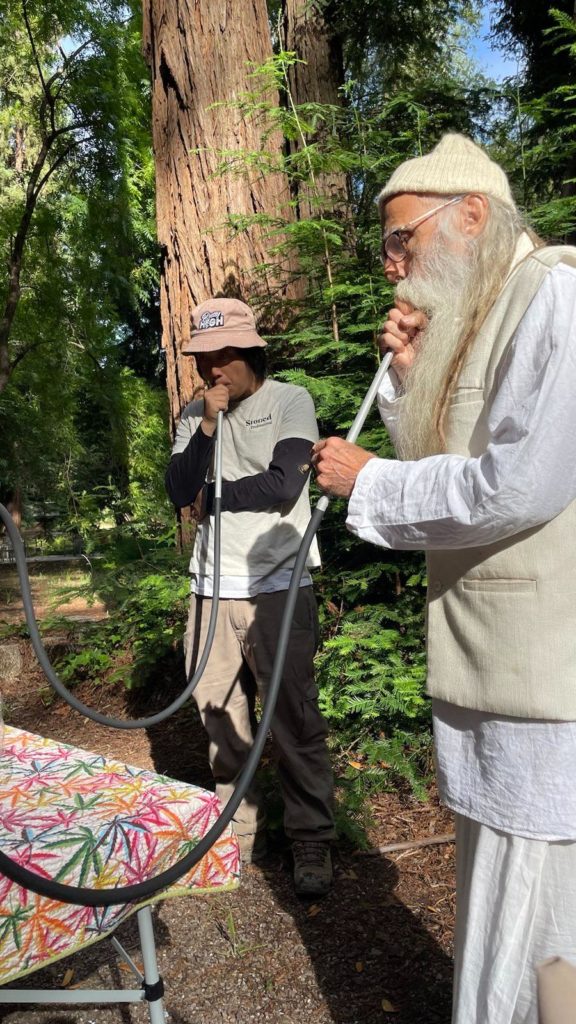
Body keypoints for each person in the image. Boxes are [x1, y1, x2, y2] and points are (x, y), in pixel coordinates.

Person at [312, 133, 576, 1022]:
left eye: (402, 240)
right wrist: (405, 379)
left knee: (543, 907)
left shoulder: (557, 297)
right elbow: (447, 464)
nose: (393, 266)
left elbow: (514, 486)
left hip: (548, 682)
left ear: (471, 214)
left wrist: (369, 480)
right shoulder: (485, 309)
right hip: (489, 664)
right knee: (499, 885)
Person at [165, 297, 335, 897]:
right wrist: (207, 427)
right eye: (205, 357)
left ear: (250, 352)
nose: (214, 368)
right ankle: (236, 831)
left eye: (225, 355)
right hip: (211, 588)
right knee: (220, 718)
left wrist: (217, 500)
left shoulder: (289, 400)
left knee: (292, 715)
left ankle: (310, 835)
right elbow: (179, 488)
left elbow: (286, 484)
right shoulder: (195, 414)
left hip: (278, 585)